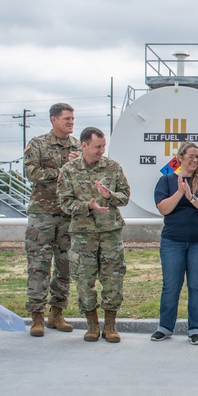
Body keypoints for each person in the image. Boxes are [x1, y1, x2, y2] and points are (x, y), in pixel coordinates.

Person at [58, 127, 131, 343]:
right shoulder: (69, 170)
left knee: (113, 279)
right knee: (84, 280)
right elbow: (65, 202)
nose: (101, 150)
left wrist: (109, 195)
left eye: (103, 146)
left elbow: (125, 196)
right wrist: (88, 205)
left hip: (110, 232)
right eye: (97, 146)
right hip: (83, 234)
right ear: (84, 145)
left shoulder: (112, 167)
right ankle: (91, 324)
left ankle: (110, 325)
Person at [150, 143, 198, 345]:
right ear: (180, 158)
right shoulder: (167, 180)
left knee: (197, 285)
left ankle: (196, 329)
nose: (195, 160)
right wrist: (180, 192)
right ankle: (164, 327)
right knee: (171, 285)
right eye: (191, 156)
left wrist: (191, 196)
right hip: (173, 241)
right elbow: (164, 208)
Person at [23, 103, 80, 337]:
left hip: (68, 214)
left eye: (72, 119)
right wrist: (62, 170)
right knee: (39, 265)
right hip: (43, 214)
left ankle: (57, 313)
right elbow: (31, 172)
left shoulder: (77, 145)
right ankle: (37, 316)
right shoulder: (38, 144)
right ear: (53, 120)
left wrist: (79, 165)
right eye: (66, 118)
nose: (70, 122)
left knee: (65, 265)